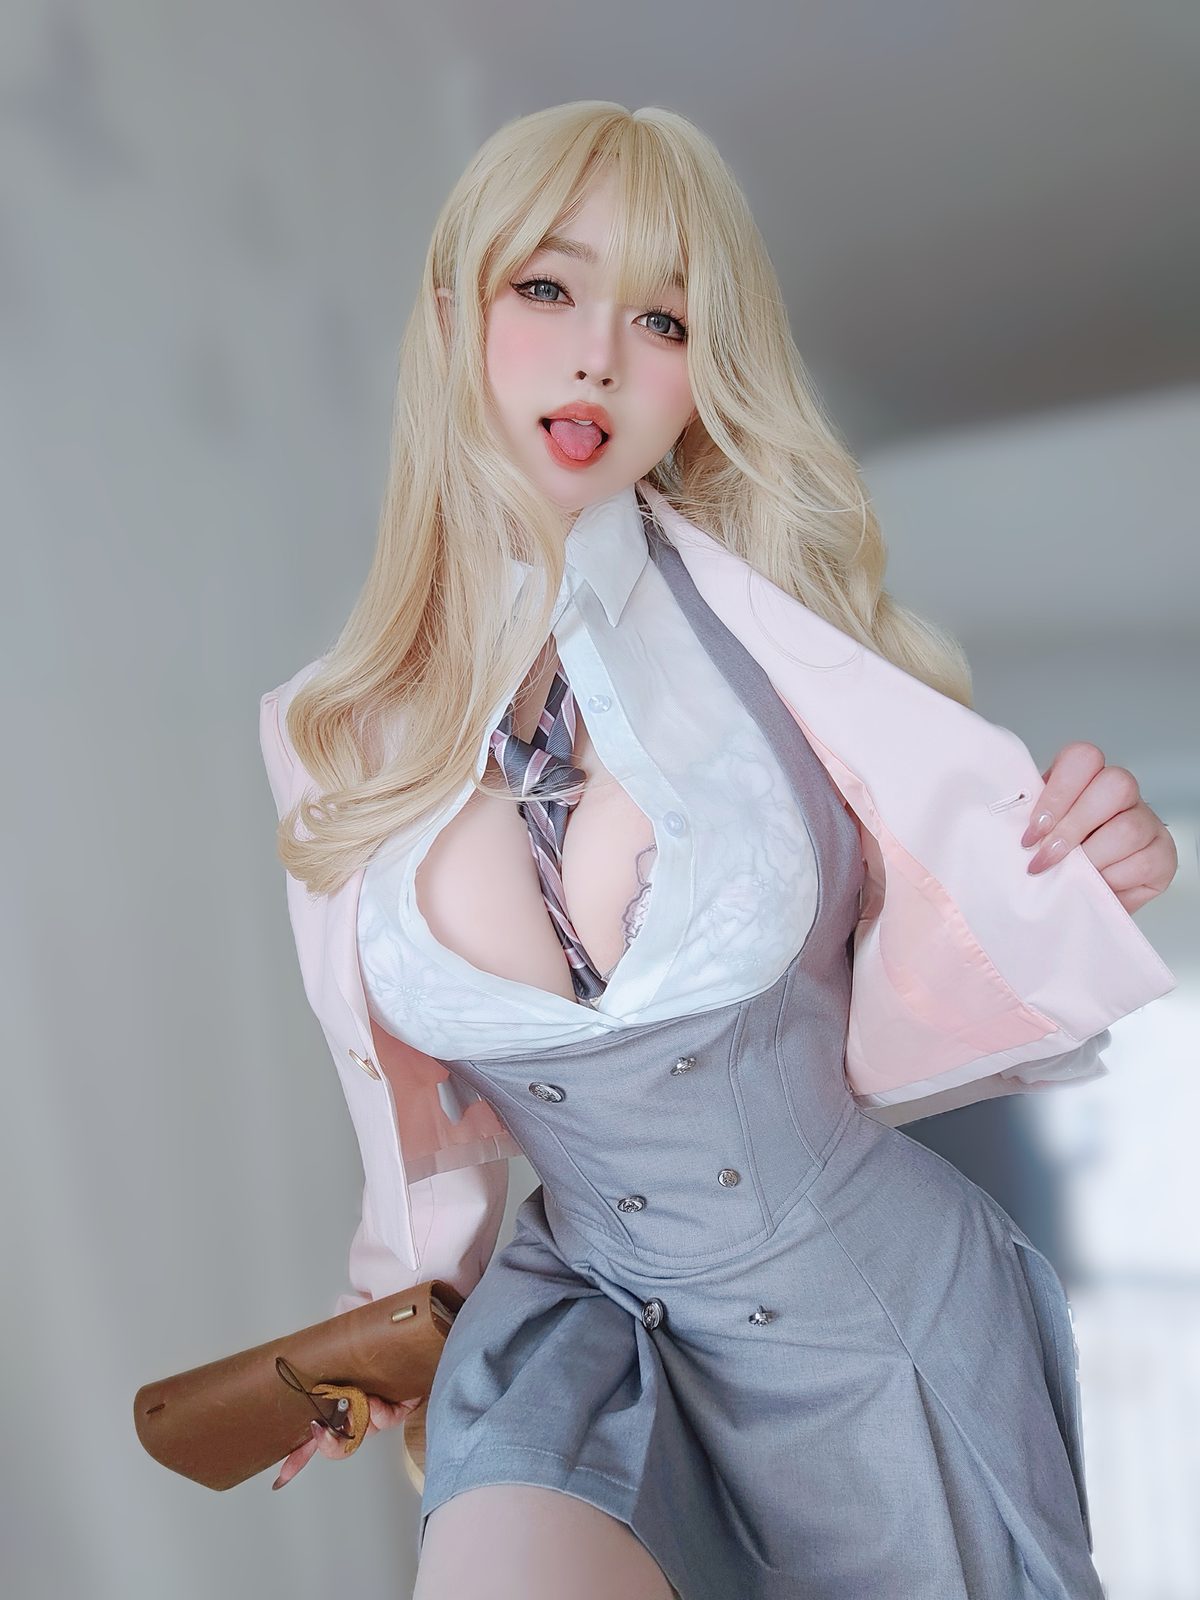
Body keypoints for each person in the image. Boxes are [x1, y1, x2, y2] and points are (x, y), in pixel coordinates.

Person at [260, 102, 1178, 1599]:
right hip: (584, 1331)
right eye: (545, 287)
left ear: (702, 376)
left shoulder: (792, 652)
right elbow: (401, 1120)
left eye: (663, 319)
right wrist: (379, 1336)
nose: (597, 358)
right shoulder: (330, 728)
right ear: (450, 315)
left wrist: (1095, 858)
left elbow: (962, 899)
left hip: (874, 1329)